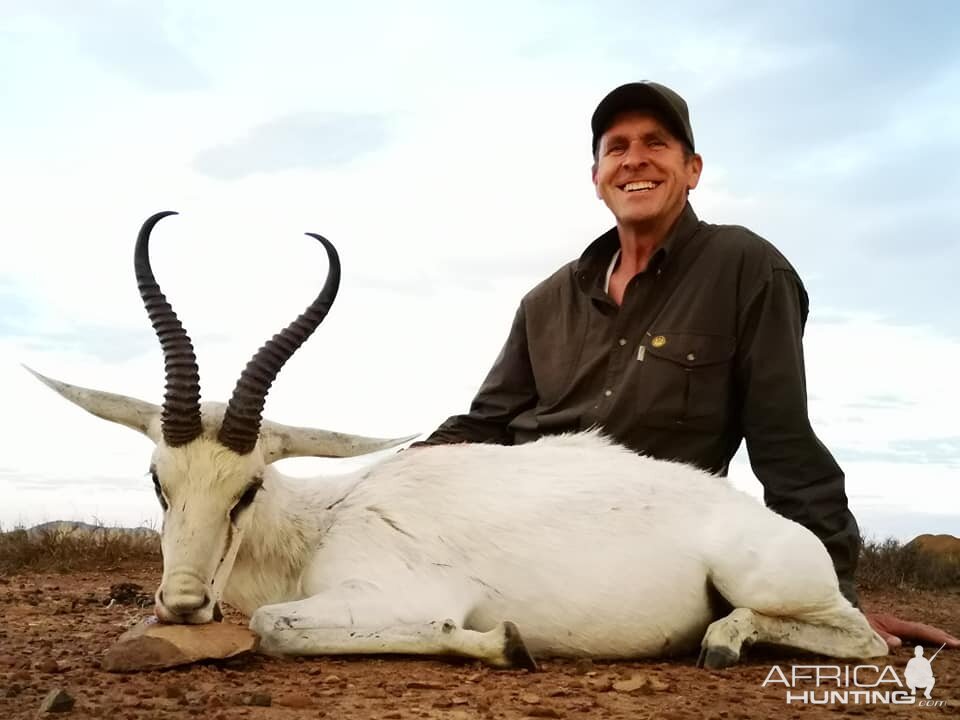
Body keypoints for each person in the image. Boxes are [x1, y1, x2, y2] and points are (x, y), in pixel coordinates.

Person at [414, 81, 959, 651]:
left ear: (692, 169)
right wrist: (376, 483)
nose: (634, 160)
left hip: (646, 550)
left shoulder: (747, 267)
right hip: (516, 537)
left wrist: (831, 600)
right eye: (616, 147)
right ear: (597, 177)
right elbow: (483, 427)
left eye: (656, 143)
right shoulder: (544, 301)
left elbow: (784, 444)